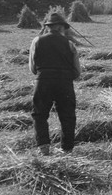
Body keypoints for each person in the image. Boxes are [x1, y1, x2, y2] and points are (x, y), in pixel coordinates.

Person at [29, 13, 81, 156]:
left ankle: (44, 148)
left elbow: (33, 68)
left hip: (43, 81)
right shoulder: (70, 44)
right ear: (61, 28)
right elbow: (77, 71)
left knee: (39, 115)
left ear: (48, 27)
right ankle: (67, 149)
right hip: (65, 83)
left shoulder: (36, 41)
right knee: (68, 116)